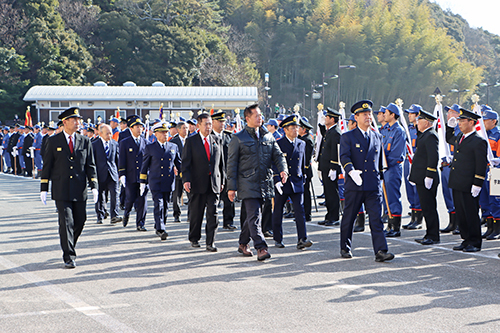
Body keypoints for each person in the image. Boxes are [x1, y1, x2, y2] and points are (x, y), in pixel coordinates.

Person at [227, 103, 287, 261]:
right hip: (247, 182)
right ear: (247, 118)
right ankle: (261, 247)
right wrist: (231, 188)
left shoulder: (268, 136)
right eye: (256, 115)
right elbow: (231, 164)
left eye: (261, 115)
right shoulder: (238, 138)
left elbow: (278, 155)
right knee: (255, 216)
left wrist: (283, 170)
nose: (260, 118)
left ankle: (242, 243)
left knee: (252, 216)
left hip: (264, 182)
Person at [40, 107, 98, 268]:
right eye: (74, 120)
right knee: (66, 222)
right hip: (61, 188)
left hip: (80, 188)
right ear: (65, 122)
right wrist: (44, 187)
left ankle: (69, 243)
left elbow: (90, 165)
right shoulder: (52, 141)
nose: (78, 123)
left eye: (79, 120)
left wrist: (94, 185)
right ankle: (69, 255)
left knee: (80, 220)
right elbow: (47, 166)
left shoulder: (85, 141)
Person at [339, 100, 394, 262]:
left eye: (369, 114)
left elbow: (378, 162)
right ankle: (345, 247)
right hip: (355, 184)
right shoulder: (347, 136)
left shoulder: (377, 136)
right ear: (356, 117)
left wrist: (381, 179)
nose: (368, 117)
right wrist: (350, 171)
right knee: (349, 217)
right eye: (364, 114)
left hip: (372, 184)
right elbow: (344, 156)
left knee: (376, 219)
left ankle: (381, 251)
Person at [446, 107, 487, 252]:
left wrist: (478, 183)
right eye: (459, 121)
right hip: (458, 182)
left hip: (469, 184)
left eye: (462, 121)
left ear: (472, 122)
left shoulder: (478, 141)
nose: (459, 123)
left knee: (471, 213)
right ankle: (466, 239)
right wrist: (449, 128)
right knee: (461, 213)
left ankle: (475, 241)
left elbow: (481, 165)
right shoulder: (460, 137)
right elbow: (448, 139)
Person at [182, 113, 225, 252]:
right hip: (197, 182)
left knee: (213, 213)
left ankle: (210, 241)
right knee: (197, 213)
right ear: (198, 125)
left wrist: (222, 180)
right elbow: (186, 163)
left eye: (210, 124)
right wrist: (186, 180)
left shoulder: (217, 139)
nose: (209, 127)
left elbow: (221, 163)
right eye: (206, 124)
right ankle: (194, 237)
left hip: (213, 183)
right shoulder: (191, 141)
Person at [272, 115, 312, 249]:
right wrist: (276, 179)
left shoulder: (302, 143)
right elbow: (274, 164)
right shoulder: (278, 144)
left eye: (297, 127)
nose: (296, 130)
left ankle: (302, 239)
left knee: (300, 211)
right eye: (292, 128)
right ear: (285, 130)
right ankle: (278, 238)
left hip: (297, 181)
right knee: (278, 210)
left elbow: (303, 163)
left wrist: (304, 177)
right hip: (283, 183)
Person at [140, 122, 181, 240]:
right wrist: (142, 182)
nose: (165, 134)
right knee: (159, 204)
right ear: (156, 134)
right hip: (155, 181)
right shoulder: (150, 147)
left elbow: (179, 163)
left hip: (168, 181)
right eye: (162, 132)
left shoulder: (173, 147)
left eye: (166, 132)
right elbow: (145, 165)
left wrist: (186, 177)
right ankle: (160, 228)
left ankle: (160, 223)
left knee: (166, 205)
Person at [409, 110, 440, 245]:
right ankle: (429, 233)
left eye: (419, 120)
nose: (417, 123)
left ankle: (433, 235)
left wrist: (429, 175)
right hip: (421, 177)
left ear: (427, 122)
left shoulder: (431, 136)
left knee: (429, 207)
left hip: (427, 178)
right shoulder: (424, 135)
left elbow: (433, 157)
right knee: (426, 207)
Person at [119, 115, 149, 231]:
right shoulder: (124, 142)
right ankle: (126, 213)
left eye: (141, 126)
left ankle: (140, 223)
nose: (139, 129)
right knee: (130, 198)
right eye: (137, 127)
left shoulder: (146, 142)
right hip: (130, 175)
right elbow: (122, 159)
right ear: (131, 128)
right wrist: (122, 174)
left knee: (142, 200)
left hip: (143, 176)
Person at [383, 103, 407, 237]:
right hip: (385, 168)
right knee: (385, 197)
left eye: (386, 112)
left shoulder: (399, 131)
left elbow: (396, 154)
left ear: (393, 115)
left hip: (392, 167)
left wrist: (384, 163)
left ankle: (396, 227)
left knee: (393, 197)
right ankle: (389, 224)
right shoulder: (385, 129)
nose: (384, 115)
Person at [211, 111, 237, 230]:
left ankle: (228, 221)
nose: (222, 124)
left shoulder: (229, 137)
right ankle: (212, 222)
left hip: (227, 173)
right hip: (212, 173)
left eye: (223, 122)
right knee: (212, 200)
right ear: (213, 122)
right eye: (219, 122)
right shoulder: (208, 136)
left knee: (229, 199)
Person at [92, 124, 122, 225]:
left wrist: (120, 173)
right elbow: (92, 162)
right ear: (100, 133)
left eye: (111, 133)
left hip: (112, 174)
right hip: (100, 174)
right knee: (100, 195)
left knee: (115, 194)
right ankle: (100, 215)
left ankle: (114, 215)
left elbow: (117, 159)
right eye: (107, 133)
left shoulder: (114, 143)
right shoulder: (94, 145)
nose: (110, 135)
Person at [318, 107, 342, 226]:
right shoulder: (329, 131)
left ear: (332, 119)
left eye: (327, 117)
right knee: (327, 193)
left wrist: (333, 167)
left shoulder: (336, 132)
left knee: (332, 193)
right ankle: (329, 216)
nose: (325, 118)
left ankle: (334, 216)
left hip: (331, 167)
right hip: (325, 167)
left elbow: (335, 151)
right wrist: (321, 125)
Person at [478, 107, 500, 239]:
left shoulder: (498, 135)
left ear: (494, 121)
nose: (483, 123)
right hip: (484, 169)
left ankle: (497, 229)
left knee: (495, 200)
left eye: (485, 120)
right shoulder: (482, 134)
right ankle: (490, 227)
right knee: (484, 199)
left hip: (495, 171)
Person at [440, 104, 460, 234]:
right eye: (448, 112)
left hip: (456, 166)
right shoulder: (447, 128)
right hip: (445, 165)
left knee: (456, 196)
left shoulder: (460, 129)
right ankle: (452, 222)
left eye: (451, 112)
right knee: (447, 195)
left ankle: (459, 223)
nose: (448, 115)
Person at [402, 104, 423, 229]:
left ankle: (418, 219)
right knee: (409, 189)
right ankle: (413, 217)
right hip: (407, 161)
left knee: (417, 191)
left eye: (411, 113)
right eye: (408, 113)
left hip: (417, 162)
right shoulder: (408, 128)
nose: (409, 116)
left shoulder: (420, 129)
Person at [170, 121, 188, 223]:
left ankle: (191, 215)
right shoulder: (173, 141)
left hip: (189, 171)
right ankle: (177, 214)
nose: (186, 130)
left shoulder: (191, 140)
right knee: (176, 193)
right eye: (184, 128)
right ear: (178, 130)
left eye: (187, 128)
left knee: (191, 194)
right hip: (178, 171)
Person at [298, 117, 314, 222]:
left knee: (306, 193)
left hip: (305, 170)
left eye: (299, 127)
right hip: (302, 169)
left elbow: (306, 158)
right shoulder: (302, 139)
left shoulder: (307, 140)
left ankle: (307, 214)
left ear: (304, 129)